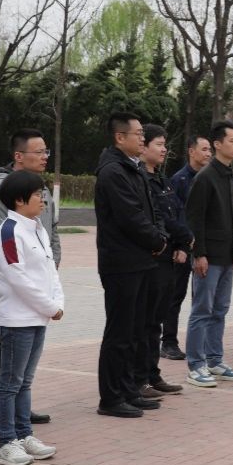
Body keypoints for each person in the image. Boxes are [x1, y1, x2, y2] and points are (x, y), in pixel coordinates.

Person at [0, 129, 57, 432]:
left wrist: (51, 269)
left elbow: (52, 232)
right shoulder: (4, 191)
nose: (44, 157)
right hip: (13, 286)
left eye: (46, 151)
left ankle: (19, 411)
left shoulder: (40, 188)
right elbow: (1, 240)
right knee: (6, 347)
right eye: (38, 152)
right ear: (18, 156)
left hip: (40, 285)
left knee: (24, 365)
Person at [94, 113, 167, 418]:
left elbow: (151, 211)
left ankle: (129, 390)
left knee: (135, 331)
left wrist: (159, 236)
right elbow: (131, 217)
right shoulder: (113, 172)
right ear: (119, 137)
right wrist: (157, 240)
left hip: (141, 260)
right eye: (137, 134)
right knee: (120, 332)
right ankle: (111, 398)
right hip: (122, 263)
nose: (142, 138)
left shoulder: (132, 168)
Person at [0, 171, 64, 465]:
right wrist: (49, 306)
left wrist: (57, 303)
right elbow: (17, 277)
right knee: (10, 383)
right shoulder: (8, 232)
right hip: (17, 320)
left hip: (38, 317)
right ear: (19, 200)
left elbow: (50, 270)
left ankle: (24, 434)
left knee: (25, 382)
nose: (42, 199)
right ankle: (6, 442)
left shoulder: (37, 229)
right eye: (37, 195)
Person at [184, 119, 233, 387]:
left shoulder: (230, 176)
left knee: (220, 310)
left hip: (227, 256)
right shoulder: (205, 177)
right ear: (218, 144)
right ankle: (196, 365)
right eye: (232, 141)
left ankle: (214, 360)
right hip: (208, 258)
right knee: (202, 310)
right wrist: (199, 254)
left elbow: (231, 218)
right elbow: (195, 219)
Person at [138, 124, 185, 398]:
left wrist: (182, 245)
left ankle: (152, 374)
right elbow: (158, 218)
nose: (164, 149)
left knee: (157, 319)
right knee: (146, 322)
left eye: (165, 144)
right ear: (143, 147)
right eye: (158, 144)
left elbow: (176, 213)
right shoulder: (140, 179)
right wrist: (179, 238)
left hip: (169, 257)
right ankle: (141, 377)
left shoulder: (162, 179)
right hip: (153, 256)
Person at [160, 135, 211, 361]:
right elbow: (175, 215)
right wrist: (181, 245)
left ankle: (202, 343)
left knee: (203, 297)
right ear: (191, 151)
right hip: (183, 247)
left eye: (209, 150)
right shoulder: (179, 180)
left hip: (204, 247)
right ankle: (169, 342)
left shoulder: (209, 178)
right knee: (176, 295)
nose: (208, 154)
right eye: (204, 149)